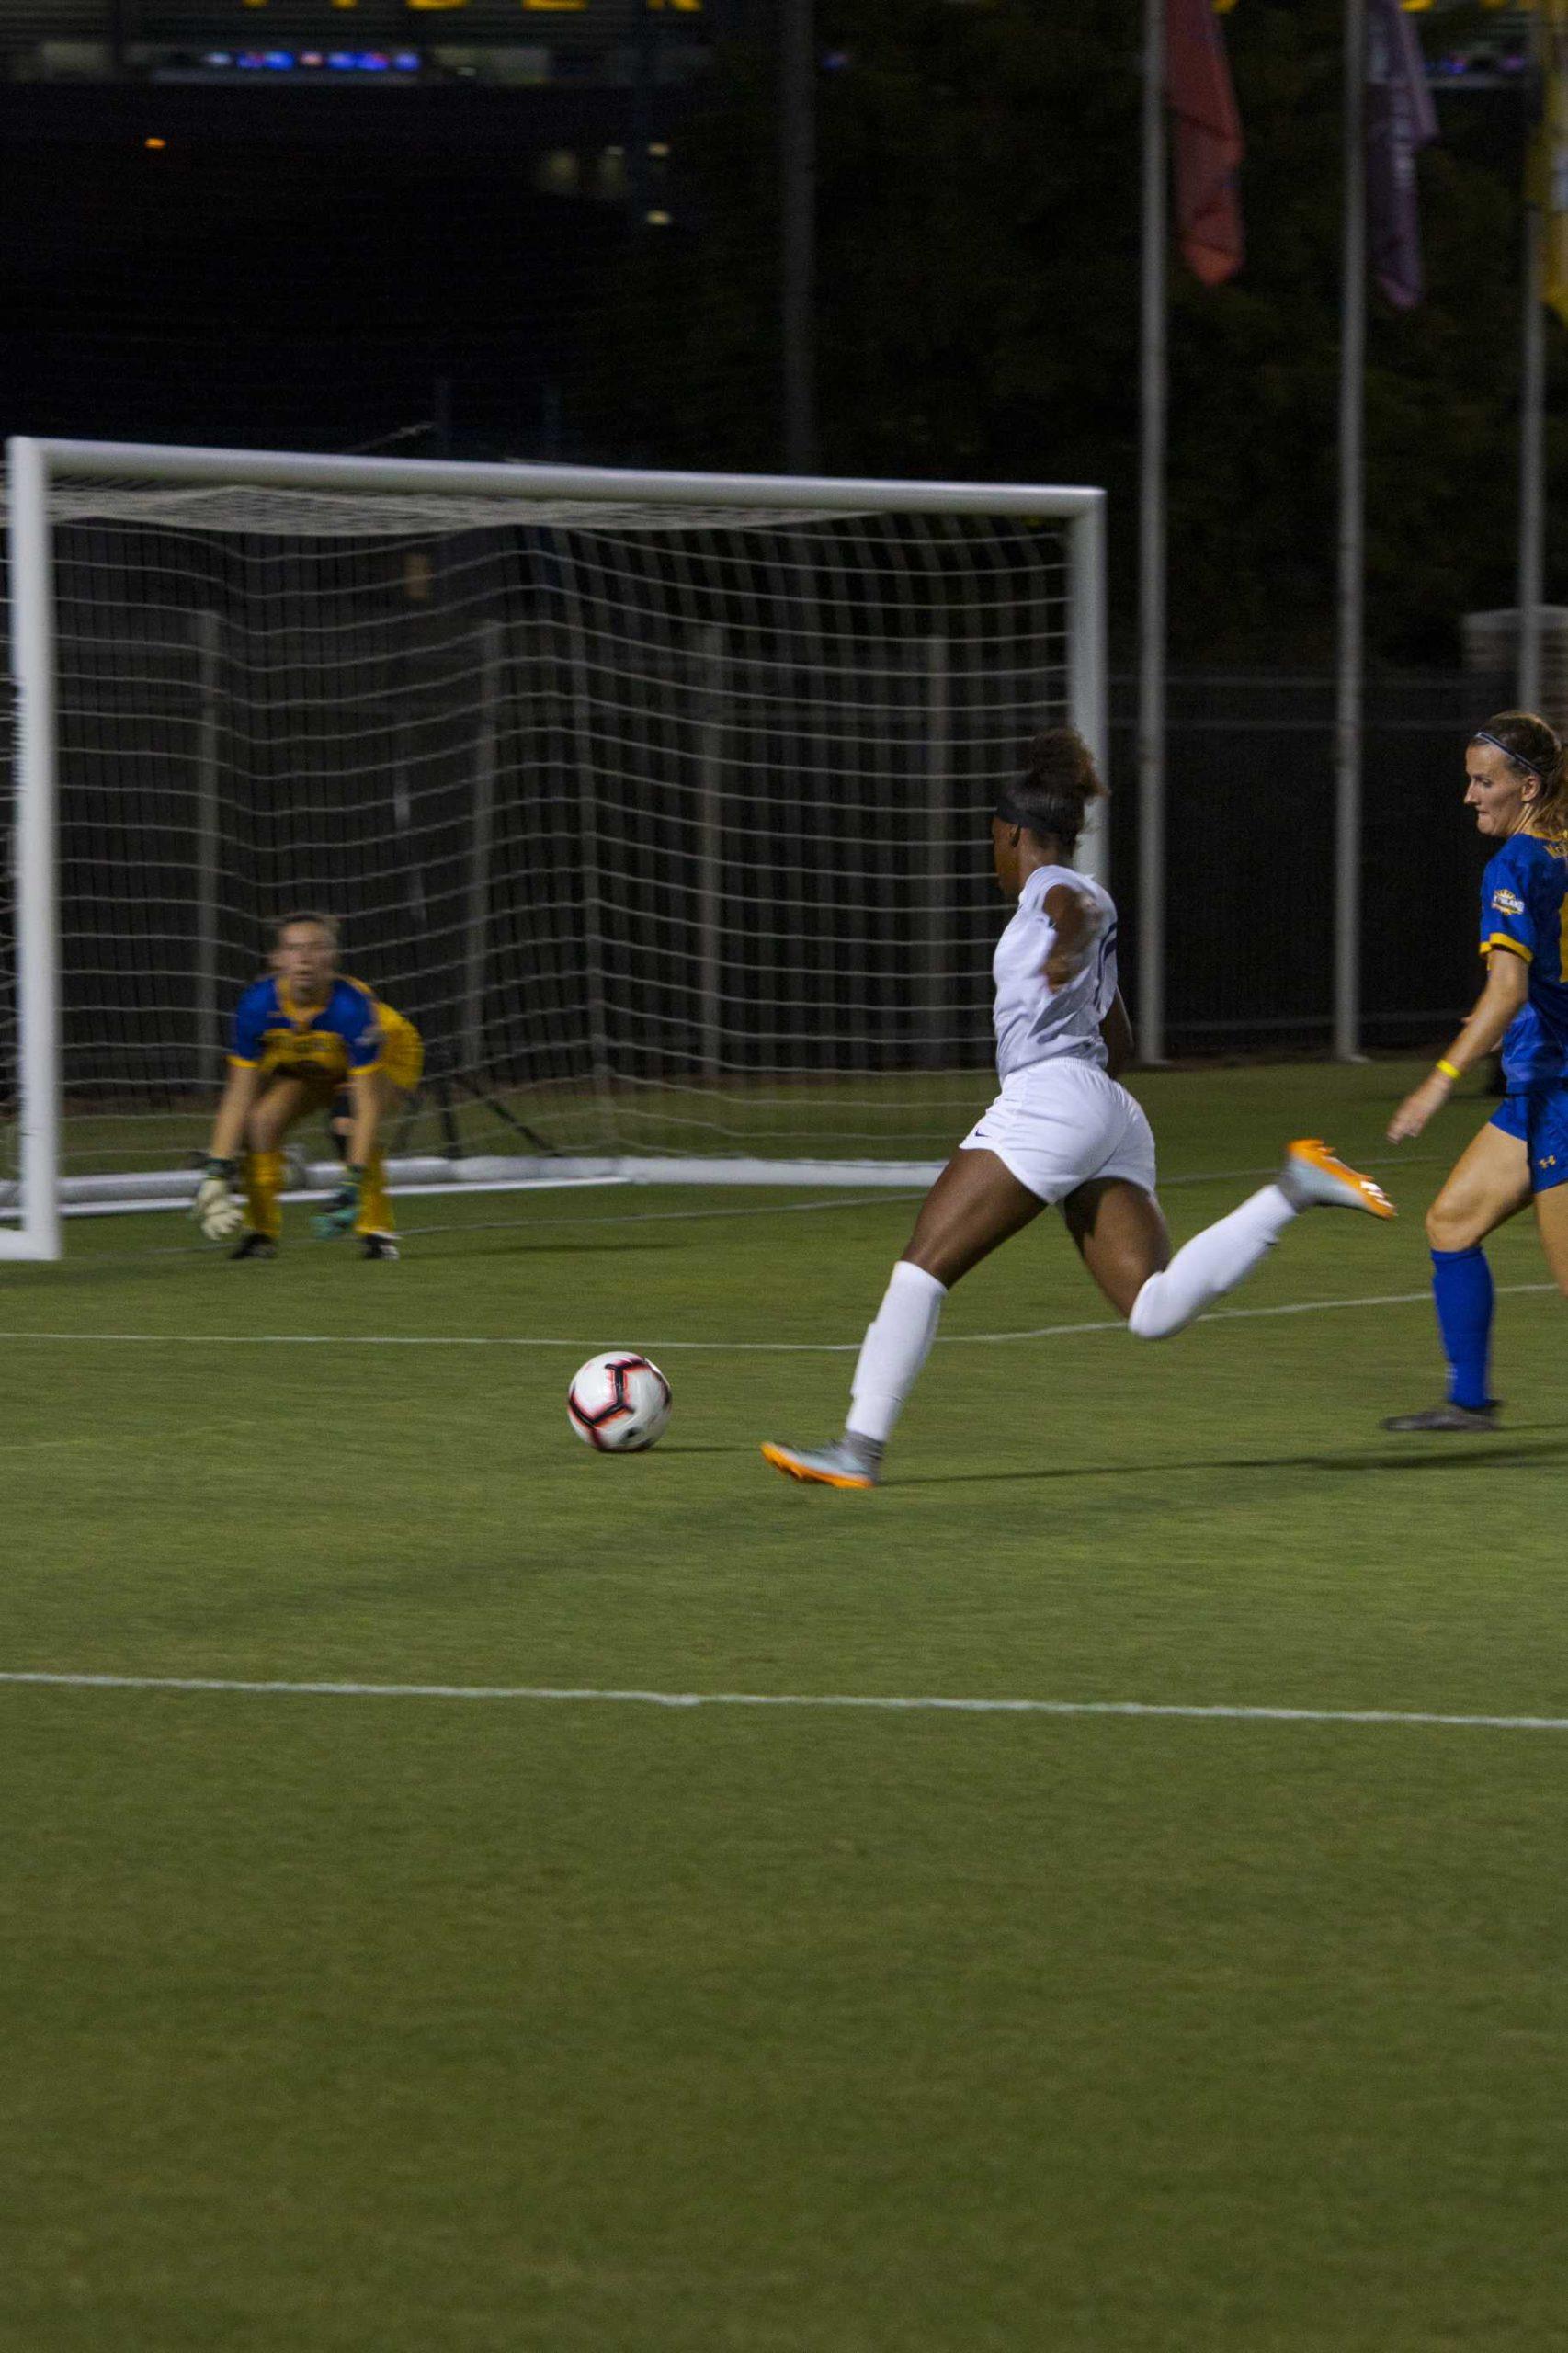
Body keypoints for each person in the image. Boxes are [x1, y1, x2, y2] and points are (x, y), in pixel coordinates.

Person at [761, 728, 1395, 1490]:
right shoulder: (1076, 911)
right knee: (1151, 1308)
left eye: (994, 842)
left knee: (922, 1267)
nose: (993, 856)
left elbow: (1076, 914)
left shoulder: (1053, 890)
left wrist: (1063, 954)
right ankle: (1295, 1186)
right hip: (1105, 1106)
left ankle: (856, 1450)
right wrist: (1087, 1091)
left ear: (1014, 834)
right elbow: (1116, 1032)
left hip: (1055, 1096)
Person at [1381, 710, 1568, 1432]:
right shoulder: (1556, 845)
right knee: (1452, 1222)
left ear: (1527, 785)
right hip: (1541, 1084)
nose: (1469, 796)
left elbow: (1509, 989)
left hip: (1559, 1091)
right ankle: (1468, 1403)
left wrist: (1439, 1081)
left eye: (1483, 781)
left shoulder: (1514, 865)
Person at [191, 912, 423, 1262]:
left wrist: (352, 1182)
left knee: (347, 1123)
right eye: (294, 948)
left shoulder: (353, 1008)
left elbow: (367, 1104)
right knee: (260, 1123)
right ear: (277, 959)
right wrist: (217, 1171)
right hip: (314, 1061)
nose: (304, 959)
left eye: (315, 948)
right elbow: (238, 1096)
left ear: (332, 958)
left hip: (392, 1054)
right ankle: (261, 1235)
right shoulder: (257, 1006)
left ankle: (376, 1234)